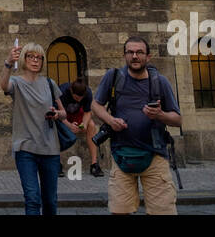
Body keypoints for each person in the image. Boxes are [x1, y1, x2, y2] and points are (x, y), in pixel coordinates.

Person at [90, 37, 181, 215]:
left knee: (162, 212)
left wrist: (160, 115)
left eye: (139, 52)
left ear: (148, 56)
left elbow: (177, 119)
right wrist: (110, 120)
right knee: (119, 211)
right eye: (130, 52)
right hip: (121, 155)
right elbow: (95, 105)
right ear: (124, 55)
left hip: (155, 156)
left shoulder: (160, 82)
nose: (134, 56)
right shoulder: (114, 77)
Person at [0, 41, 65, 215]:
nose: (35, 60)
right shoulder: (16, 83)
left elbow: (63, 112)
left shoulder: (50, 83)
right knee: (33, 199)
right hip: (25, 148)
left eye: (39, 57)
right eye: (31, 56)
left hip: (50, 149)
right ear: (23, 59)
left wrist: (57, 114)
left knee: (50, 201)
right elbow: (4, 86)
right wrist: (7, 63)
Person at [58, 76, 103, 177]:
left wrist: (84, 125)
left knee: (91, 125)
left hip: (77, 115)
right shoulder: (62, 91)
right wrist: (69, 126)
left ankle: (94, 164)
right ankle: (58, 164)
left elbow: (87, 112)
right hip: (63, 116)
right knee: (55, 128)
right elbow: (58, 114)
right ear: (71, 91)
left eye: (81, 98)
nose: (79, 100)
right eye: (77, 98)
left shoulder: (87, 93)